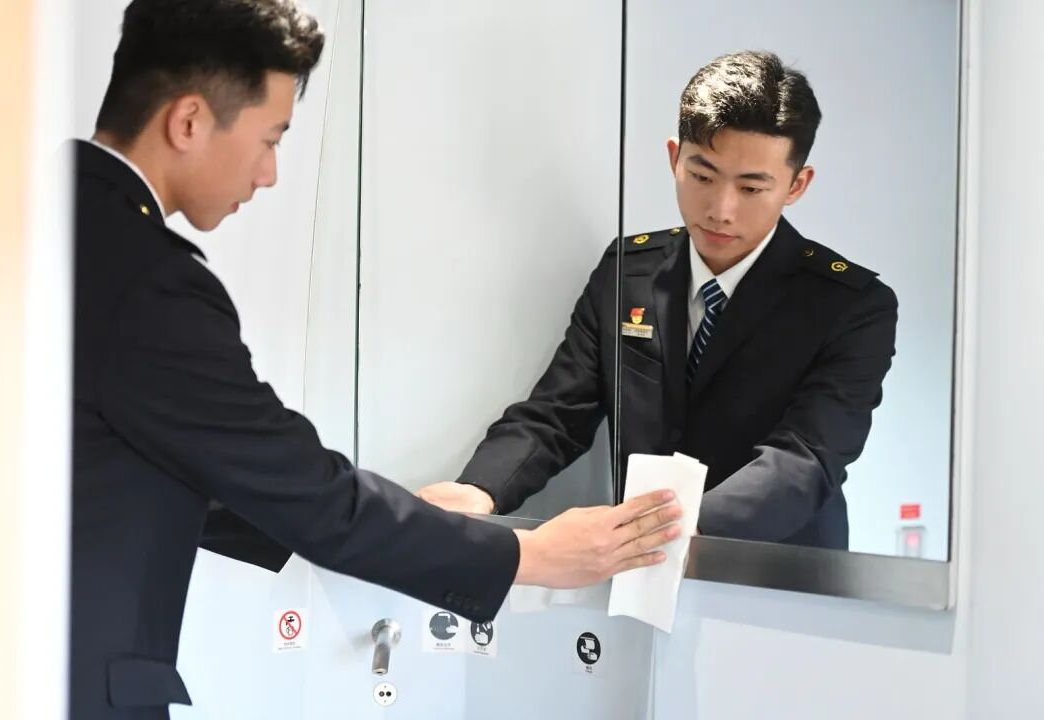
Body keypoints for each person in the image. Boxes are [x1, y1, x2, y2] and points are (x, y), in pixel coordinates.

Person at [70, 2, 681, 718]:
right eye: (269, 139)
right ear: (188, 121)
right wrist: (531, 557)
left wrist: (382, 514)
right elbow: (304, 490)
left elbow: (148, 467)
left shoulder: (42, 220)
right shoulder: (148, 283)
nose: (269, 174)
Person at [419, 50, 898, 551]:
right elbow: (558, 413)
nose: (721, 210)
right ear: (675, 158)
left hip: (781, 575)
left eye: (751, 188)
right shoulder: (628, 270)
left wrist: (675, 529)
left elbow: (805, 459)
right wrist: (479, 489)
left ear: (797, 185)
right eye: (702, 176)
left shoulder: (850, 306)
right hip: (639, 569)